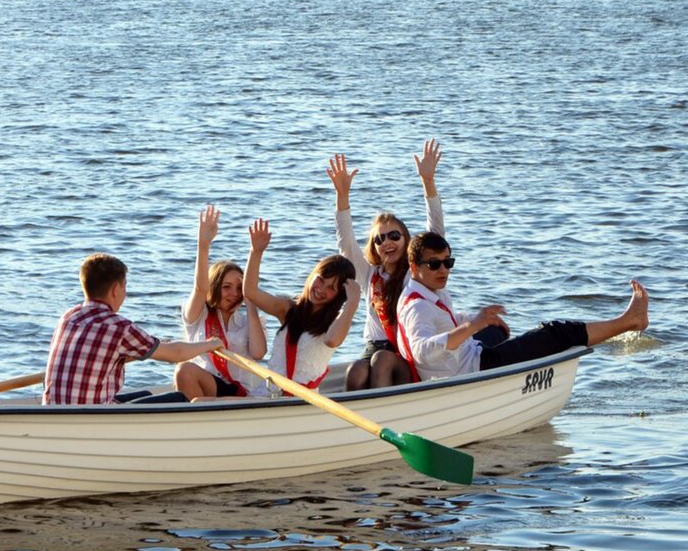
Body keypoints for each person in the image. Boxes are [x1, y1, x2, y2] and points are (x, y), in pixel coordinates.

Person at [395, 232, 650, 380]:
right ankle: (630, 321)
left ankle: (515, 348)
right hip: (474, 367)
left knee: (498, 330)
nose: (443, 270)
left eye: (448, 262)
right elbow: (422, 351)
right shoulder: (417, 307)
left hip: (465, 355)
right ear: (414, 267)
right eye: (435, 264)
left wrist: (476, 319)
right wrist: (472, 326)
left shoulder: (421, 290)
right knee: (555, 333)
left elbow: (446, 318)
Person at [327, 140, 448, 391]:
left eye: (394, 236)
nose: (387, 242)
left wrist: (428, 182)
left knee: (381, 361)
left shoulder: (416, 275)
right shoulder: (370, 274)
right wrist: (342, 196)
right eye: (379, 239)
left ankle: (388, 417)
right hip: (374, 348)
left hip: (402, 351)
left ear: (406, 239)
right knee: (356, 371)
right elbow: (346, 244)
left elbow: (436, 232)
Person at [43, 253, 223, 405]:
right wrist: (211, 344)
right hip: (93, 416)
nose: (125, 294)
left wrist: (148, 349)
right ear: (115, 289)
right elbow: (175, 354)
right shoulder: (119, 327)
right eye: (124, 287)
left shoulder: (68, 317)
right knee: (179, 398)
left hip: (54, 408)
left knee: (145, 394)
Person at [241, 219, 360, 397]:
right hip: (269, 394)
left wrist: (352, 303)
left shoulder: (336, 322)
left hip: (303, 400)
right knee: (202, 402)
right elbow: (250, 292)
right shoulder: (288, 309)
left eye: (331, 288)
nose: (321, 289)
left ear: (339, 296)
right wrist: (256, 252)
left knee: (204, 402)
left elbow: (332, 341)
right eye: (320, 279)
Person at [174, 205, 268, 401]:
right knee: (184, 370)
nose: (234, 293)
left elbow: (258, 353)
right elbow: (200, 289)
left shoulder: (247, 321)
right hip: (205, 385)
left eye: (239, 287)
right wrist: (203, 244)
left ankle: (204, 409)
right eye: (226, 287)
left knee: (196, 392)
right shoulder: (197, 315)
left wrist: (250, 299)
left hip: (240, 393)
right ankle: (200, 414)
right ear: (215, 287)